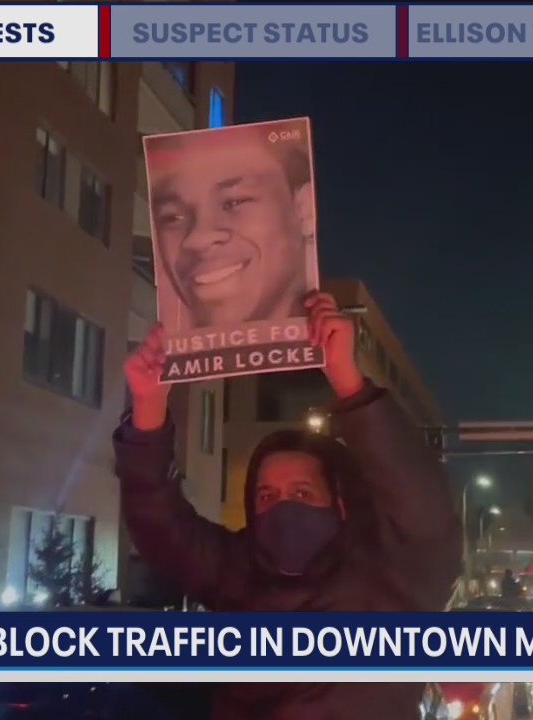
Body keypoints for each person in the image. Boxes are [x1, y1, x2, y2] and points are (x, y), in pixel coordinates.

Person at [115, 291, 463, 720]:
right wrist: (148, 408)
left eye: (301, 493)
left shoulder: (392, 580)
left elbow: (422, 509)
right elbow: (159, 525)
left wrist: (348, 383)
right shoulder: (235, 570)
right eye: (267, 496)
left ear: (339, 503)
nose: (283, 509)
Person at [146, 123, 314, 330]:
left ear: (303, 208)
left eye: (234, 202)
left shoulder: (332, 344)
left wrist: (336, 352)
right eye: (173, 217)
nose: (197, 239)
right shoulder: (154, 343)